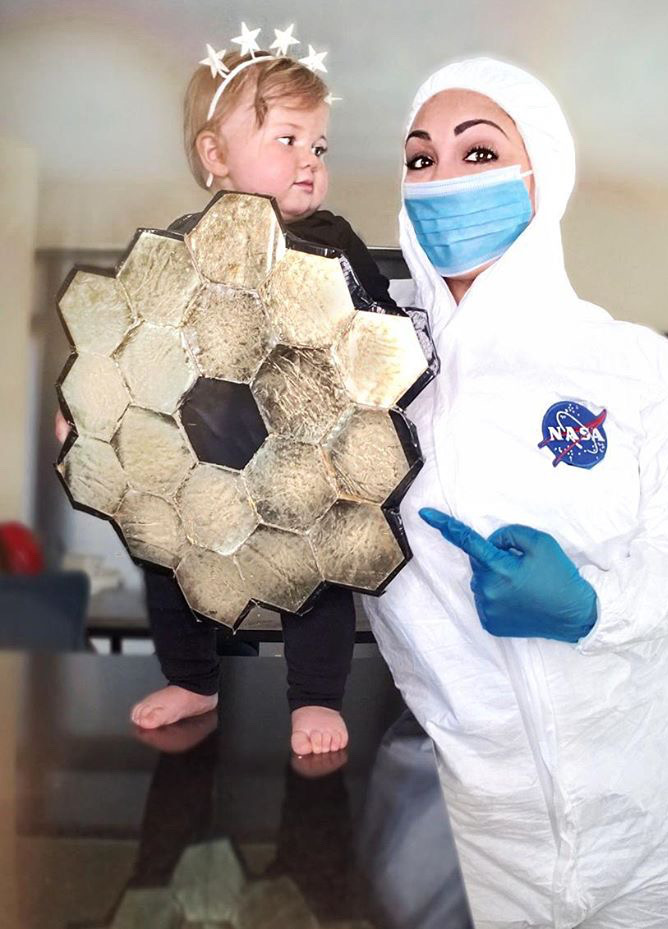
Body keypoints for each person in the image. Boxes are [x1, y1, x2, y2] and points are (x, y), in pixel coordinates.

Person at [362, 57, 668, 928]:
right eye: (420, 160)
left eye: (479, 152)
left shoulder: (636, 366)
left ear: (544, 171)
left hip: (665, 815)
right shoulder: (368, 368)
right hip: (484, 838)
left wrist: (590, 605)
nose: (444, 181)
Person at [56, 45, 396, 757]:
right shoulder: (182, 245)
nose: (311, 159)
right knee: (165, 557)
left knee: (318, 574)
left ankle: (314, 697)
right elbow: (125, 340)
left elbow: (387, 333)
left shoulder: (330, 240)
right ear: (216, 154)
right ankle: (193, 678)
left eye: (319, 144)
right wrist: (88, 418)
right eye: (288, 139)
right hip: (198, 455)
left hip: (307, 458)